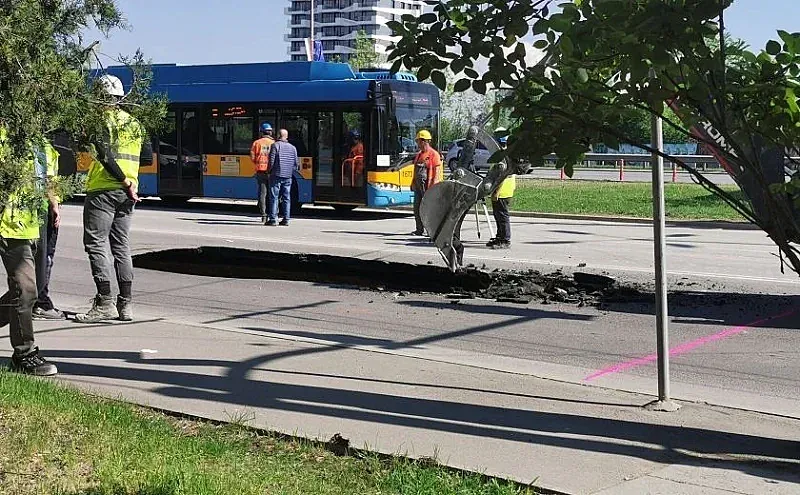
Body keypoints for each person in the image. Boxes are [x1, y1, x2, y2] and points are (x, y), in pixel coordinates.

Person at [75, 74, 153, 323]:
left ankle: (104, 302)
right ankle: (126, 306)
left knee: (96, 244)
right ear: (120, 97)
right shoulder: (135, 123)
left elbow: (106, 156)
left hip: (104, 190)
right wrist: (130, 180)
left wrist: (122, 179)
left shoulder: (99, 121)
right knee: (121, 247)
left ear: (99, 97)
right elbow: (149, 158)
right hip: (127, 193)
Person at [0, 125, 58, 375]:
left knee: (30, 289)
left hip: (29, 225)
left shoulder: (42, 143)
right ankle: (24, 352)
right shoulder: (4, 135)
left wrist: (54, 203)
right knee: (25, 290)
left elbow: (50, 177)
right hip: (7, 224)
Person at [32, 140, 65, 320]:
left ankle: (36, 301)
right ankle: (40, 302)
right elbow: (48, 179)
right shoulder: (42, 146)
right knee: (44, 256)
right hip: (41, 208)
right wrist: (54, 205)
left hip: (32, 207)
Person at [411, 129, 442, 236]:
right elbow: (415, 171)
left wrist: (433, 188)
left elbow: (436, 173)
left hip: (428, 187)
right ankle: (419, 229)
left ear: (425, 141)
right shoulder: (419, 155)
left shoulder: (434, 154)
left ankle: (431, 231)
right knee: (417, 208)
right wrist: (413, 183)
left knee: (429, 210)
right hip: (418, 187)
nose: (417, 144)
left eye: (418, 141)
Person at [487, 135, 515, 249]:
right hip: (503, 191)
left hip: (502, 192)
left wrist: (496, 192)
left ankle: (505, 239)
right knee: (498, 215)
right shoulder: (505, 155)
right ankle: (499, 237)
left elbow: (502, 176)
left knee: (502, 216)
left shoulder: (503, 157)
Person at [266, 129, 299, 226]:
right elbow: (296, 164)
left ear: (278, 136)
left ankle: (272, 219)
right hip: (288, 176)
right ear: (286, 136)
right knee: (286, 198)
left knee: (274, 197)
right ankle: (286, 219)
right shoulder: (293, 148)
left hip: (276, 175)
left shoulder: (275, 146)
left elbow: (271, 161)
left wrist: (269, 172)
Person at [251, 122, 275, 224]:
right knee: (273, 194)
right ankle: (272, 215)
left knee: (262, 194)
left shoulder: (257, 143)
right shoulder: (275, 143)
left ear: (261, 132)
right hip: (272, 171)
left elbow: (252, 157)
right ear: (270, 132)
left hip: (260, 171)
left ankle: (263, 215)